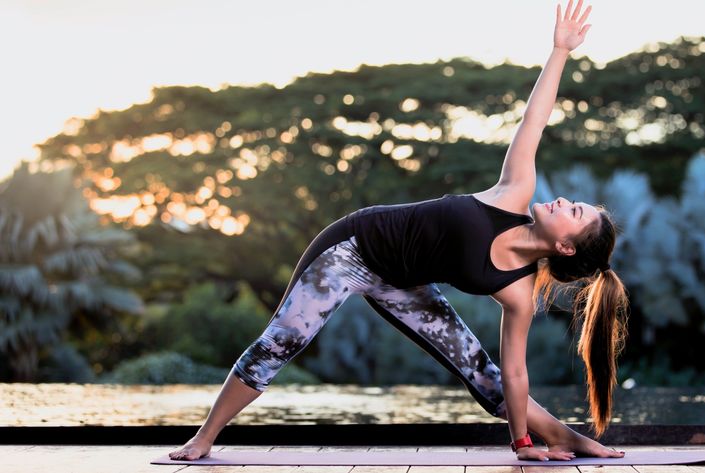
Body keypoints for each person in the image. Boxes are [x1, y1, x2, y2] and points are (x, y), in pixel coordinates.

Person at [170, 0, 628, 462]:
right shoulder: (513, 192)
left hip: (402, 283)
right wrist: (560, 52)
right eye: (573, 201)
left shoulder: (518, 293)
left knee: (480, 370)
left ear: (566, 246)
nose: (563, 201)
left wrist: (521, 444)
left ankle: (557, 436)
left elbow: (513, 374)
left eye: (573, 212)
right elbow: (535, 120)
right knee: (281, 341)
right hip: (351, 250)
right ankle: (205, 437)